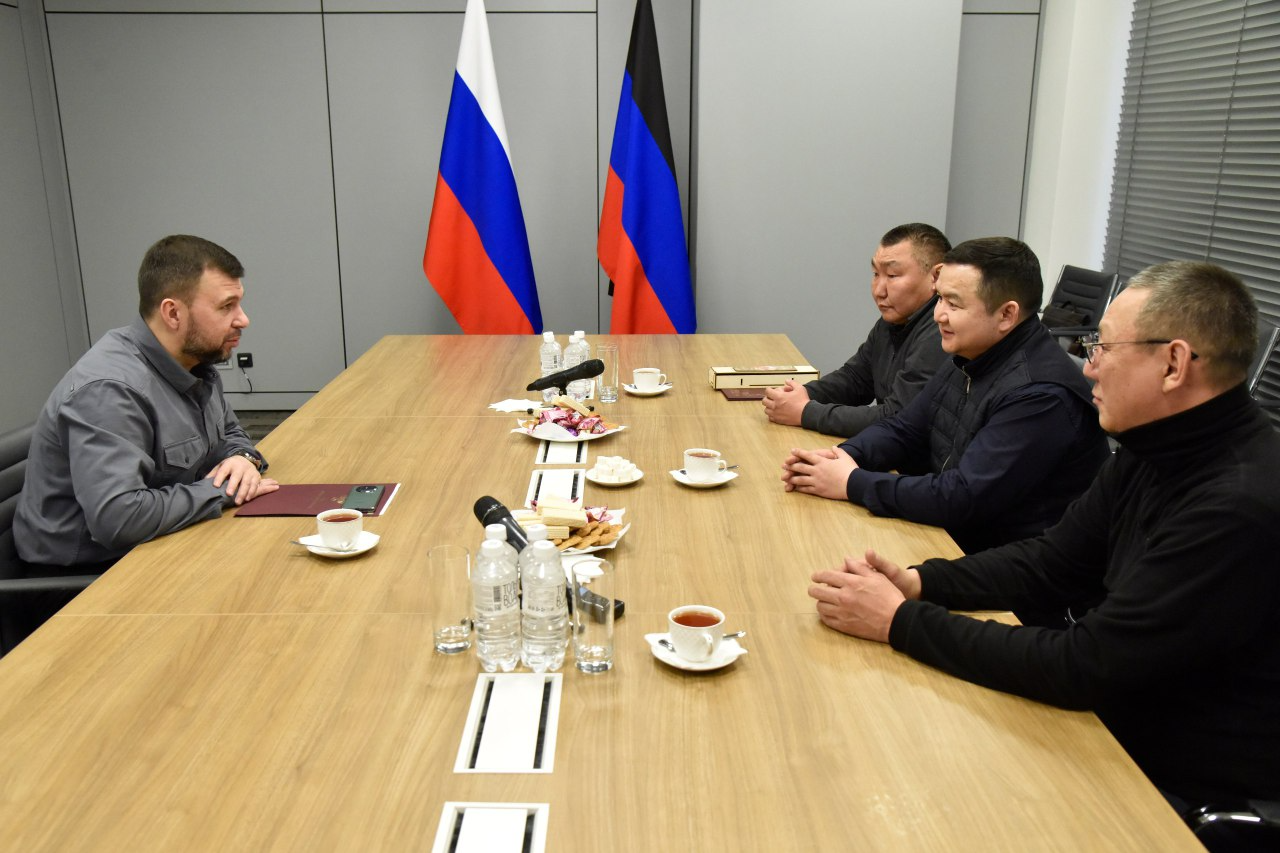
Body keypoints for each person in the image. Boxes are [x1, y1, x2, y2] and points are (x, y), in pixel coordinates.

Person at [806, 260, 1280, 813]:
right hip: (1114, 723)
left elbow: (1086, 666)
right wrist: (918, 582)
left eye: (1103, 348)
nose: (1089, 368)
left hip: (1175, 786)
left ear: (1173, 364)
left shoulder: (1235, 504)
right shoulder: (1156, 447)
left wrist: (898, 621)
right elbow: (1052, 561)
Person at [781, 237, 1109, 556]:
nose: (938, 314)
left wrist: (852, 482)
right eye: (939, 299)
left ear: (1006, 315)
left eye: (954, 304)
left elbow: (963, 497)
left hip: (1007, 568)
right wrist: (842, 457)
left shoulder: (1039, 396)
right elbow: (904, 428)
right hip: (958, 539)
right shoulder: (972, 353)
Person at [15, 235, 279, 571]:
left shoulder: (194, 362)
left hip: (156, 542)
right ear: (173, 313)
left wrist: (242, 459)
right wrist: (223, 491)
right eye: (226, 306)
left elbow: (229, 432)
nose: (243, 319)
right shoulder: (110, 391)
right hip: (86, 578)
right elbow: (119, 519)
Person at [763, 223, 949, 437]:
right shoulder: (893, 320)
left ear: (936, 277)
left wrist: (806, 412)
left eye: (892, 275)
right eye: (876, 274)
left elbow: (898, 417)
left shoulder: (941, 331)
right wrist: (800, 394)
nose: (879, 290)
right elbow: (855, 379)